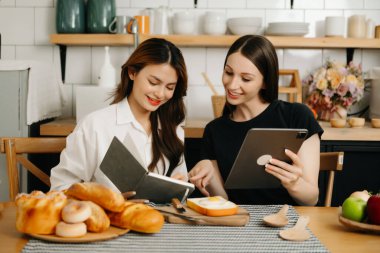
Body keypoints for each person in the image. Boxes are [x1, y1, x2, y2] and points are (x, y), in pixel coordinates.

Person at [188, 35, 324, 206]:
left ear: (265, 82)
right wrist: (208, 175)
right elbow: (224, 202)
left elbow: (311, 199)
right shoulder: (214, 130)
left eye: (246, 78)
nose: (232, 84)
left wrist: (295, 183)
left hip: (288, 223)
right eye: (228, 72)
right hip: (238, 225)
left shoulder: (296, 116)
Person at [50, 38, 188, 194]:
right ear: (132, 73)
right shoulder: (95, 125)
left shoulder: (174, 130)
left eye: (170, 87)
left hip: (159, 218)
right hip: (110, 217)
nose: (160, 94)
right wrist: (105, 199)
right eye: (153, 82)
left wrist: (179, 187)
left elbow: (181, 185)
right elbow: (60, 189)